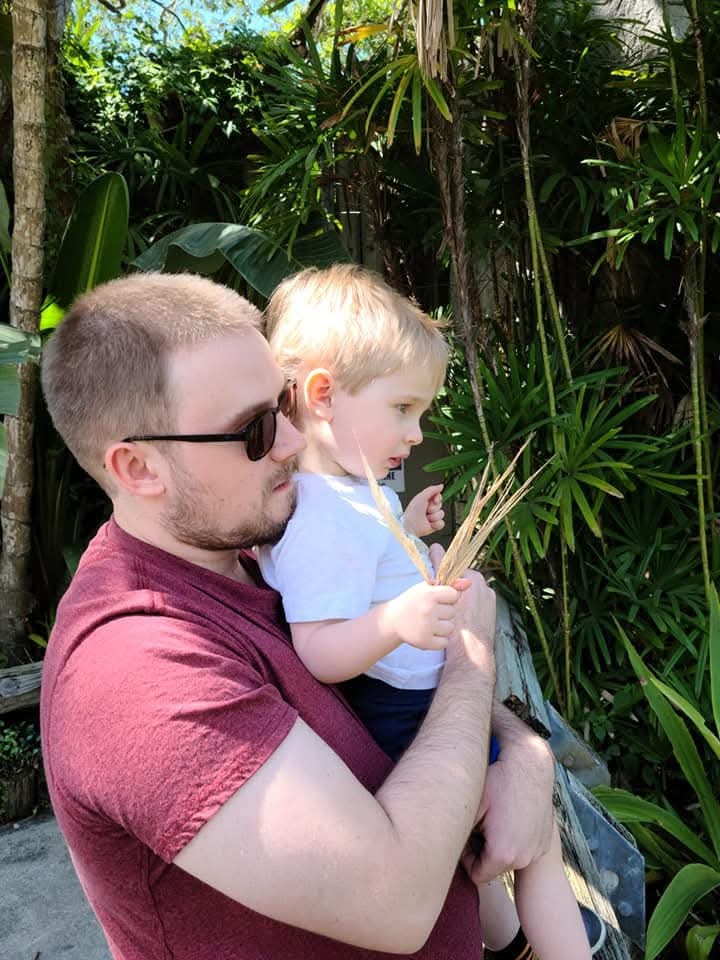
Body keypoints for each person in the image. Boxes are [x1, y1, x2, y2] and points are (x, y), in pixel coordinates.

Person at [40, 271, 556, 960]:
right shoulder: (138, 671)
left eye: (282, 405)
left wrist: (522, 752)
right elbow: (395, 902)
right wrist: (472, 657)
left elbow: (409, 692)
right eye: (255, 429)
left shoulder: (260, 548)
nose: (291, 441)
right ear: (139, 469)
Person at [259, 264, 599, 960]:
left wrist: (408, 526)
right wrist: (397, 622)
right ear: (322, 395)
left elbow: (366, 565)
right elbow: (318, 648)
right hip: (407, 715)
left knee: (478, 847)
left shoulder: (350, 493)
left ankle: (507, 942)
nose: (415, 433)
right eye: (403, 408)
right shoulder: (322, 520)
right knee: (534, 836)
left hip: (417, 703)